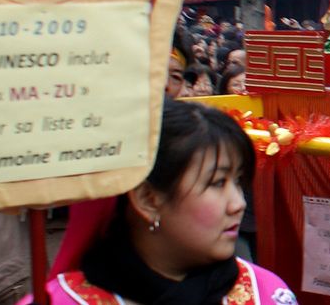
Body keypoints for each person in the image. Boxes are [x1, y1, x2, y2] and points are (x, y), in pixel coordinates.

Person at [24, 100, 290, 304]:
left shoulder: (264, 292)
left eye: (238, 181)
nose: (238, 203)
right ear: (148, 199)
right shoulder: (61, 299)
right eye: (217, 183)